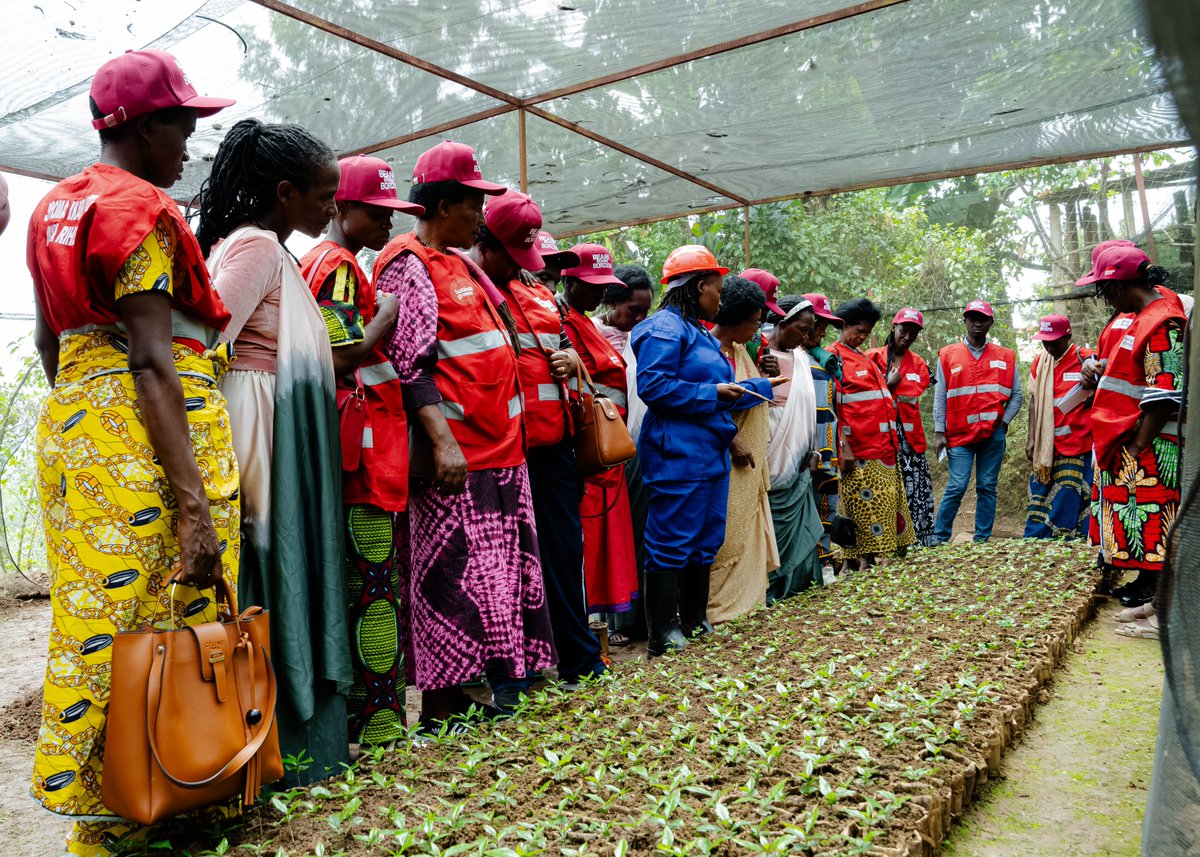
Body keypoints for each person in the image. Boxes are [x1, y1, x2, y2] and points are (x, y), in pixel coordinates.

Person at [27, 50, 237, 855]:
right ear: (148, 127)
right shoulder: (139, 209)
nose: (190, 144)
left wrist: (88, 424)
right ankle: (149, 805)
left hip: (81, 425)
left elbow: (50, 340)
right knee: (168, 606)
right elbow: (152, 358)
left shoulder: (56, 206)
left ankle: (118, 806)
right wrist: (191, 504)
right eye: (183, 125)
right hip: (147, 433)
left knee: (98, 615)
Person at [370, 141, 555, 726]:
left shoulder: (461, 262)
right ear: (444, 205)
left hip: (499, 450)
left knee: (495, 578)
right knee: (451, 579)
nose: (481, 215)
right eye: (474, 203)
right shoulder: (408, 263)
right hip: (459, 457)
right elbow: (410, 365)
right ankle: (441, 706)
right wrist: (443, 442)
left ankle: (481, 690)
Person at [197, 119, 351, 781]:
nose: (331, 209)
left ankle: (297, 744)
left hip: (278, 418)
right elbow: (205, 342)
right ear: (285, 192)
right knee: (271, 561)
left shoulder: (271, 249)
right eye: (323, 195)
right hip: (259, 424)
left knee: (288, 559)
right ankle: (271, 749)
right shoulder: (256, 248)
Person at [298, 155, 423, 745]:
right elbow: (341, 355)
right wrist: (386, 317)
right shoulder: (341, 266)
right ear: (342, 208)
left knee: (355, 587)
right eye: (377, 212)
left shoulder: (313, 261)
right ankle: (379, 728)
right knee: (374, 590)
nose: (387, 223)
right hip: (363, 459)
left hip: (344, 452)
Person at [468, 195, 607, 702]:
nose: (532, 268)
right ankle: (513, 671)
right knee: (506, 561)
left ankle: (578, 657)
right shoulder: (472, 287)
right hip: (503, 448)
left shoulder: (539, 294)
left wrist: (571, 359)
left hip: (554, 445)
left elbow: (566, 351)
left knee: (563, 553)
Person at [631, 245, 779, 655]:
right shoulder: (664, 328)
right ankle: (662, 633)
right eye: (717, 289)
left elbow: (713, 390)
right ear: (699, 287)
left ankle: (694, 620)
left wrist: (759, 387)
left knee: (705, 538)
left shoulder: (696, 331)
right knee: (671, 539)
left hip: (709, 451)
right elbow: (654, 387)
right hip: (677, 453)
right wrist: (712, 393)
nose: (720, 298)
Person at [1078, 244, 1185, 635]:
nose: (1106, 299)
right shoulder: (1142, 318)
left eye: (1104, 290)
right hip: (1140, 440)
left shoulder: (1163, 321)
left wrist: (1138, 446)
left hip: (1157, 445)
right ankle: (1157, 603)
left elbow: (1165, 393)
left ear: (1119, 286)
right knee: (1155, 531)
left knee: (1162, 528)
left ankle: (1167, 617)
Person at [558, 244, 640, 630]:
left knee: (605, 540)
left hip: (608, 451)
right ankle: (585, 627)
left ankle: (599, 626)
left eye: (603, 286)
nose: (599, 293)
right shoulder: (561, 321)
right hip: (587, 449)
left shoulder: (585, 322)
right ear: (569, 281)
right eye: (591, 285)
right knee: (587, 541)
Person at [706, 276, 780, 622]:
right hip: (726, 457)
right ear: (736, 318)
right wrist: (733, 440)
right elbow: (708, 403)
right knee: (727, 533)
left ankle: (748, 603)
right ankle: (720, 607)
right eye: (753, 322)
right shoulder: (708, 351)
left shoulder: (740, 350)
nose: (756, 330)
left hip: (750, 463)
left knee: (747, 525)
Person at [830, 298, 916, 569]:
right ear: (844, 325)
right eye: (859, 331)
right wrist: (842, 444)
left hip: (882, 445)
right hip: (859, 447)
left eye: (867, 333)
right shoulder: (834, 357)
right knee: (861, 504)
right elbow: (834, 406)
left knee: (881, 502)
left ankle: (874, 555)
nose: (863, 337)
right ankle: (859, 558)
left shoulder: (862, 356)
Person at [932, 300, 1024, 543]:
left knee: (987, 486)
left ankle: (982, 539)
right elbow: (940, 395)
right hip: (959, 434)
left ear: (990, 322)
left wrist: (1004, 423)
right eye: (973, 318)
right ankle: (939, 538)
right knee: (957, 485)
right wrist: (939, 431)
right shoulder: (948, 355)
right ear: (965, 321)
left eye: (983, 319)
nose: (977, 323)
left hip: (993, 434)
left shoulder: (1005, 356)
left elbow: (1017, 394)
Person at [763, 296, 827, 600]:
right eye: (801, 329)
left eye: (808, 331)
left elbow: (807, 410)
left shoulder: (801, 358)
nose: (805, 337)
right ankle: (769, 588)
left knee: (800, 528)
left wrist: (814, 450)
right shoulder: (758, 352)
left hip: (800, 460)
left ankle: (800, 585)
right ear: (781, 323)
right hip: (768, 456)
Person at [867, 308, 936, 547]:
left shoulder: (919, 364)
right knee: (884, 486)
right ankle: (886, 539)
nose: (907, 337)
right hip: (881, 434)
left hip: (910, 438)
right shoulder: (872, 357)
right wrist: (889, 384)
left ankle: (916, 539)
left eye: (913, 333)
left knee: (914, 487)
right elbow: (865, 398)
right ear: (893, 327)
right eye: (903, 330)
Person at [1022, 313, 1094, 541]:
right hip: (1047, 445)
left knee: (1070, 490)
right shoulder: (1040, 363)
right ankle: (1037, 538)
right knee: (1040, 491)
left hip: (1078, 442)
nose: (1050, 347)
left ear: (1068, 337)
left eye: (1055, 342)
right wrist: (1032, 438)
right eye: (1046, 342)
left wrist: (1092, 378)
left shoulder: (1085, 358)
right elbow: (1034, 402)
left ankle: (1068, 537)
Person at [801, 293, 844, 584]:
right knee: (802, 510)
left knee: (827, 507)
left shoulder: (825, 360)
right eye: (819, 325)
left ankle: (825, 564)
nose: (823, 331)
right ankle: (804, 569)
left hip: (827, 448)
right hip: (803, 451)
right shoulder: (790, 357)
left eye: (826, 326)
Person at [594, 263, 655, 353]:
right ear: (614, 302)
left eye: (645, 311)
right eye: (634, 310)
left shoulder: (641, 337)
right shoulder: (591, 330)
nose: (640, 318)